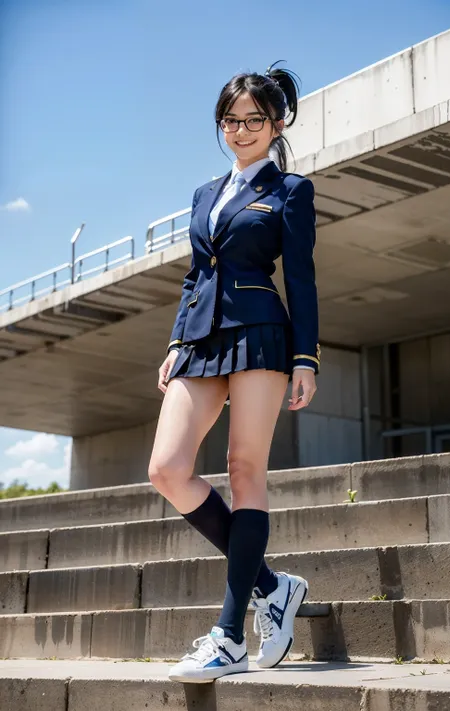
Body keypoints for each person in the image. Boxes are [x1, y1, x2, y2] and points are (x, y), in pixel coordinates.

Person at [148, 60, 320, 684]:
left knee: (246, 469)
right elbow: (196, 272)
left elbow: (299, 277)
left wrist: (306, 356)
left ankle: (229, 637)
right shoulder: (203, 194)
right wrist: (175, 340)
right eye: (231, 119)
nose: (241, 129)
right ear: (220, 125)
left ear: (276, 124)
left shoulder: (291, 190)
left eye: (254, 119)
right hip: (198, 340)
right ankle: (273, 588)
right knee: (167, 468)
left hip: (261, 335)